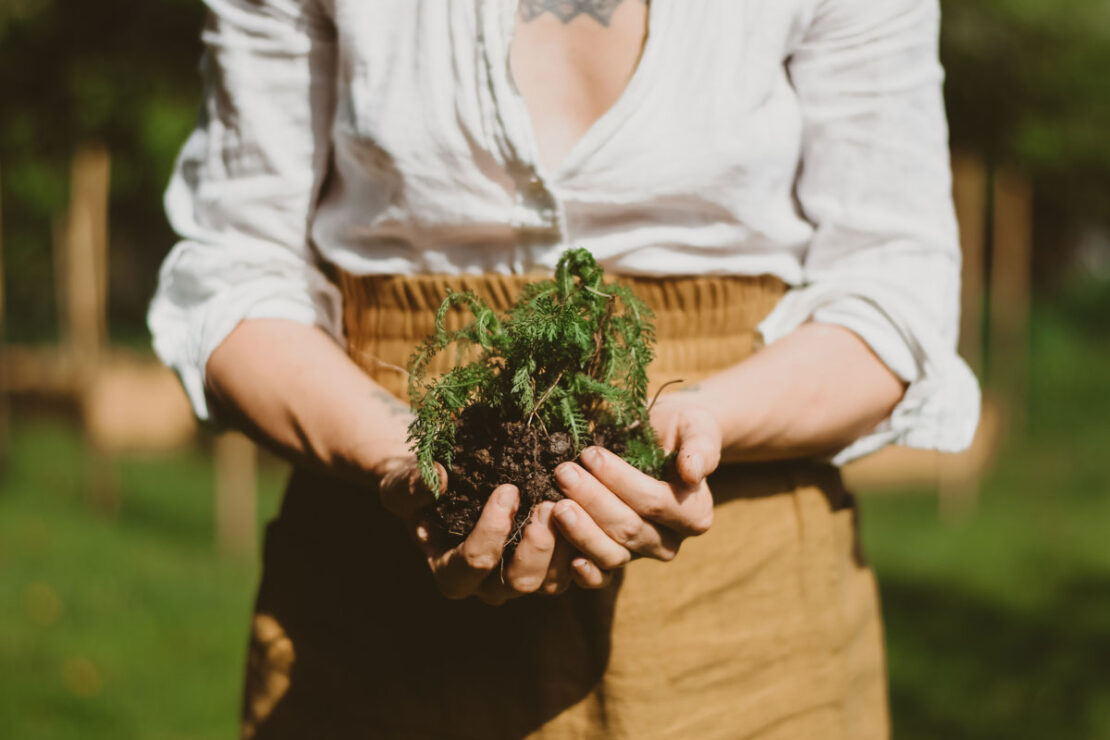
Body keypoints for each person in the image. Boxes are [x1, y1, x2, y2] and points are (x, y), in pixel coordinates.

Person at [149, 0, 980, 737]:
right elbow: (233, 275)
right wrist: (403, 453)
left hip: (741, 626)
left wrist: (701, 423)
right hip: (378, 605)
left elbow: (890, 292)